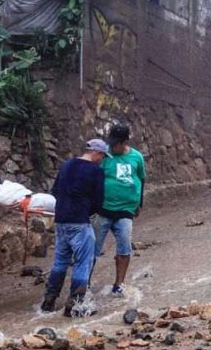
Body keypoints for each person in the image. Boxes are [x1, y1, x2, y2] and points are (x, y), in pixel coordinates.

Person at [41, 139, 108, 316]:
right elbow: (99, 200)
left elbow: (55, 191)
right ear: (96, 153)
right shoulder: (96, 171)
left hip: (61, 220)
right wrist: (88, 211)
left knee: (60, 262)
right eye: (102, 156)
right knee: (83, 262)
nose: (102, 159)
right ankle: (75, 304)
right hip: (80, 221)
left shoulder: (66, 165)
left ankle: (49, 300)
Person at [95, 122, 146, 297]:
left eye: (116, 143)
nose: (112, 146)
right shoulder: (105, 156)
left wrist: (139, 203)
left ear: (125, 142)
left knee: (124, 249)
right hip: (103, 209)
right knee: (92, 249)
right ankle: (83, 284)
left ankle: (119, 284)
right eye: (111, 142)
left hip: (125, 211)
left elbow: (141, 179)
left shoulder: (137, 157)